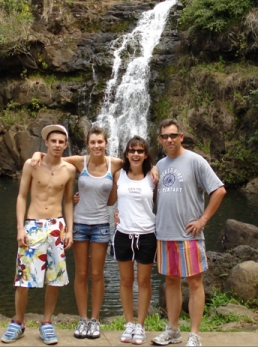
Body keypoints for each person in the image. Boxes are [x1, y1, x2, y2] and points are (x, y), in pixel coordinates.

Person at [31, 126, 158, 339]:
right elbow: (54, 155)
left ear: (106, 143)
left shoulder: (115, 163)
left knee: (97, 274)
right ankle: (83, 319)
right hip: (79, 224)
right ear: (88, 144)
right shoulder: (80, 161)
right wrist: (37, 154)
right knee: (81, 274)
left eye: (100, 142)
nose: (97, 145)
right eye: (93, 142)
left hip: (101, 224)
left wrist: (154, 167)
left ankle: (96, 320)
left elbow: (138, 162)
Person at [151, 119, 226, 347]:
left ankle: (194, 334)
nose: (169, 139)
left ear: (181, 136)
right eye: (165, 136)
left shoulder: (195, 161)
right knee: (171, 281)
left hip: (189, 236)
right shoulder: (160, 166)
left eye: (173, 135)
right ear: (160, 140)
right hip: (164, 235)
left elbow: (219, 190)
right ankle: (173, 330)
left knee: (194, 283)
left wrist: (203, 220)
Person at [1, 124, 76, 345]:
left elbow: (69, 201)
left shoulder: (69, 170)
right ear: (46, 142)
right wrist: (20, 227)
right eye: (54, 141)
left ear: (66, 144)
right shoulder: (31, 165)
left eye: (61, 142)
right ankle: (18, 322)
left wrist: (70, 230)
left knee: (54, 279)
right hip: (33, 225)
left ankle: (46, 323)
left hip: (56, 226)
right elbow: (21, 196)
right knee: (24, 278)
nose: (57, 145)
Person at [107, 136, 157, 345]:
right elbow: (110, 200)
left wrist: (153, 167)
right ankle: (129, 323)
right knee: (126, 281)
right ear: (126, 154)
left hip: (147, 234)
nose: (136, 154)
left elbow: (162, 203)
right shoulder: (118, 175)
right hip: (123, 234)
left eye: (140, 151)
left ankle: (141, 325)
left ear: (145, 155)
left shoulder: (153, 177)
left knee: (144, 281)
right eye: (132, 150)